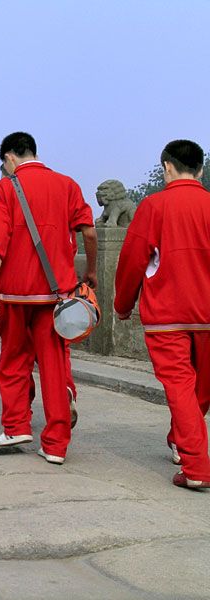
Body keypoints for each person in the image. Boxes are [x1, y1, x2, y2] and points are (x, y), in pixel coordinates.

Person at [0, 131, 97, 465]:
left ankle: (17, 425)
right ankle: (56, 444)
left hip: (16, 292)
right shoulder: (67, 184)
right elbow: (88, 231)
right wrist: (90, 270)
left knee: (13, 362)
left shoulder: (6, 187)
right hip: (56, 292)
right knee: (54, 366)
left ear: (9, 158)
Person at [115, 139, 210, 488]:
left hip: (168, 316)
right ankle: (181, 440)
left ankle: (197, 468)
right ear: (199, 169)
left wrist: (123, 304)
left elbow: (132, 260)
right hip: (207, 314)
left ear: (167, 167)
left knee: (181, 387)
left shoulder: (154, 206)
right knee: (200, 389)